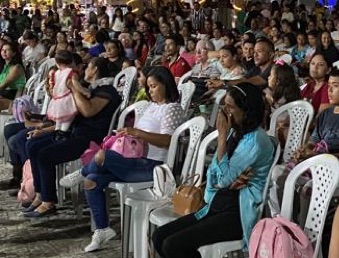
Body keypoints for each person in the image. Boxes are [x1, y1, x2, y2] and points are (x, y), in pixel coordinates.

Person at [60, 66, 187, 251]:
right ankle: (102, 229)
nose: (150, 91)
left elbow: (167, 141)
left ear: (165, 85)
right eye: (148, 87)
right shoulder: (151, 107)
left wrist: (136, 132)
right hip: (135, 161)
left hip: (153, 166)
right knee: (91, 181)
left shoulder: (172, 109)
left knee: (102, 156)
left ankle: (81, 171)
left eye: (153, 86)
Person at [151, 83, 275, 258]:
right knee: (159, 236)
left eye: (230, 107)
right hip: (218, 204)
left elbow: (223, 178)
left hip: (237, 213)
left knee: (173, 245)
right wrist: (227, 178)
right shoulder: (238, 132)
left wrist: (222, 137)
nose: (225, 112)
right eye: (224, 105)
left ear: (246, 110)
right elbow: (214, 176)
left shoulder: (255, 140)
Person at [23, 57, 121, 218]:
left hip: (90, 139)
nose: (84, 70)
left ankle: (49, 202)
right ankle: (40, 195)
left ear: (95, 69)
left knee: (44, 155)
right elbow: (67, 114)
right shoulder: (88, 88)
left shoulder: (107, 91)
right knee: (32, 145)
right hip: (73, 132)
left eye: (88, 66)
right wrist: (46, 130)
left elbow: (88, 111)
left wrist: (73, 88)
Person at [46, 50, 78, 134]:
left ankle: (57, 135)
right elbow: (76, 85)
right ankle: (62, 135)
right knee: (66, 123)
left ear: (57, 63)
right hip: (67, 100)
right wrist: (85, 91)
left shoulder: (56, 73)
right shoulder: (71, 73)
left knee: (58, 124)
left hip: (57, 100)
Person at [0, 41, 26, 111]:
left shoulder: (17, 67)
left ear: (14, 53)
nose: (4, 52)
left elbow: (3, 85)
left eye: (7, 50)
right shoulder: (3, 67)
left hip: (13, 98)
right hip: (3, 94)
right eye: (2, 50)